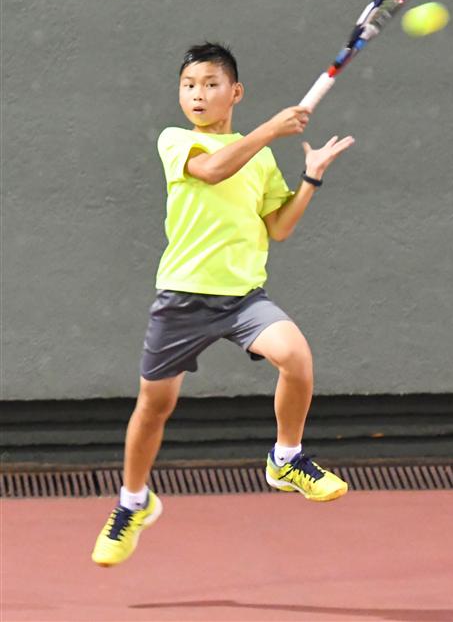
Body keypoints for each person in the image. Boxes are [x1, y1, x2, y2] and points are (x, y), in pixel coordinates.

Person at [92, 42, 355, 567]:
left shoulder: (261, 160)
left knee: (295, 357)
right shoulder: (176, 140)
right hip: (182, 298)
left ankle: (285, 458)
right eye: (189, 85)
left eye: (211, 84)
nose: (198, 94)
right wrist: (269, 131)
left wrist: (311, 176)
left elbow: (278, 227)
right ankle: (134, 502)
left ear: (235, 93)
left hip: (241, 299)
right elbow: (211, 171)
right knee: (154, 407)